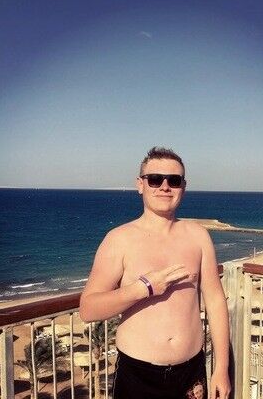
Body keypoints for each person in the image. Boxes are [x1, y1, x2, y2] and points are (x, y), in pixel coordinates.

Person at [80, 147, 231, 399]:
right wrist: (143, 288)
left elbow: (215, 302)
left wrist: (221, 368)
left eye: (174, 180)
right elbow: (88, 309)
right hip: (138, 375)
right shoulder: (119, 240)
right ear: (140, 185)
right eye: (155, 179)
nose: (165, 187)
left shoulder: (198, 236)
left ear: (183, 187)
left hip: (191, 373)